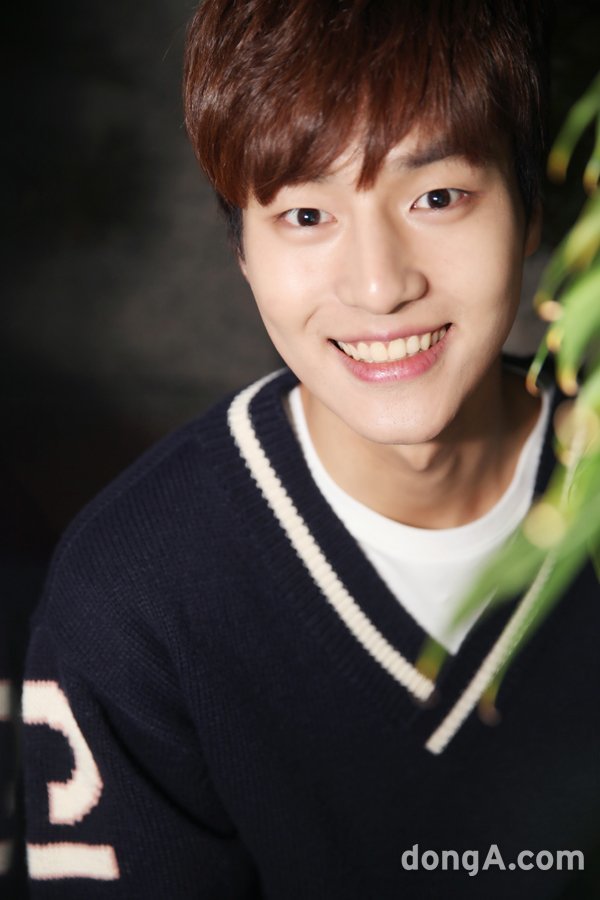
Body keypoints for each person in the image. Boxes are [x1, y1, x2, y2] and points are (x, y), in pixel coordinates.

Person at [22, 1, 600, 897]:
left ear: (530, 212)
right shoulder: (132, 593)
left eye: (437, 197)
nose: (379, 286)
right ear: (242, 251)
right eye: (304, 215)